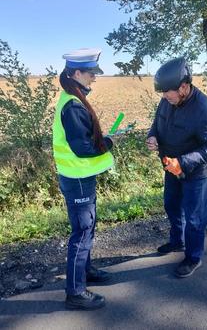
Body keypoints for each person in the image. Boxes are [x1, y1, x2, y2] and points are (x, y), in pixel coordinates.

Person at [146, 57, 207, 278]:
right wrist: (153, 136)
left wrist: (184, 162)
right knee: (171, 205)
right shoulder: (167, 101)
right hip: (171, 167)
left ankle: (193, 257)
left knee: (195, 217)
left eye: (167, 92)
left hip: (195, 173)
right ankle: (177, 241)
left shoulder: (203, 108)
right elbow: (157, 122)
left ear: (184, 87)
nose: (164, 97)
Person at [52, 48, 114, 310]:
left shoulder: (71, 98)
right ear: (77, 73)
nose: (94, 78)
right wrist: (106, 143)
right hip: (77, 177)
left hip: (80, 176)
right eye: (91, 73)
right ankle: (75, 292)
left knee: (88, 226)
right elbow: (82, 148)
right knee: (83, 231)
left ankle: (86, 271)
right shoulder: (73, 105)